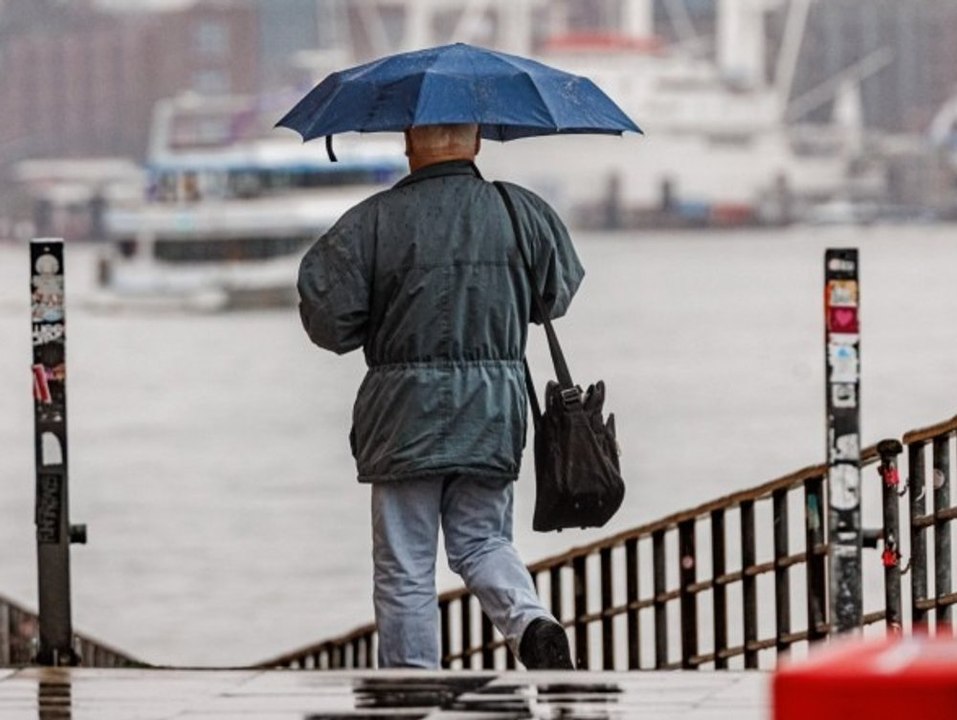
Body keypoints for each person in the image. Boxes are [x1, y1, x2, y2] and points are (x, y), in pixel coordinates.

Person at [297, 123, 584, 669]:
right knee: (483, 542)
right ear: (476, 144)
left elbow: (330, 324)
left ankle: (414, 687)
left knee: (406, 565)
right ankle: (530, 623)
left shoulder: (371, 222)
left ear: (409, 144)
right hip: (493, 413)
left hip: (403, 419)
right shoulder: (521, 211)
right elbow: (556, 295)